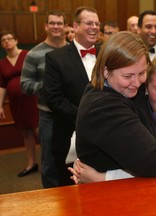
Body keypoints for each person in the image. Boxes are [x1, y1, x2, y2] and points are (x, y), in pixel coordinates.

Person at [69, 31, 156, 184]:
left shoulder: (121, 86)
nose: (137, 82)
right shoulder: (103, 108)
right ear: (106, 71)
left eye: (142, 73)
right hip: (109, 192)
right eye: (128, 76)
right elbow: (153, 162)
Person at [43, 6, 100, 186]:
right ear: (75, 26)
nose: (94, 27)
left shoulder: (108, 53)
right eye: (89, 23)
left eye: (97, 24)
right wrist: (86, 118)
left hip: (106, 135)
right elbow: (54, 99)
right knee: (69, 192)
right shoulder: (55, 58)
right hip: (70, 135)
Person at [20, 10, 67, 187]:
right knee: (49, 161)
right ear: (46, 26)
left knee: (75, 158)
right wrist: (48, 86)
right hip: (49, 117)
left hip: (73, 115)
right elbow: (24, 85)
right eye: (52, 23)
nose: (56, 26)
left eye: (59, 23)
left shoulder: (73, 51)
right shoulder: (34, 54)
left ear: (65, 26)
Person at [0, 30, 39, 177]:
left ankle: (52, 162)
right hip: (16, 102)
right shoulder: (2, 63)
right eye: (4, 40)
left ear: (16, 41)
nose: (7, 42)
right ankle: (31, 163)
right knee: (25, 132)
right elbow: (2, 86)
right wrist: (0, 105)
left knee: (39, 131)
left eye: (10, 38)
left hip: (31, 98)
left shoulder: (28, 55)